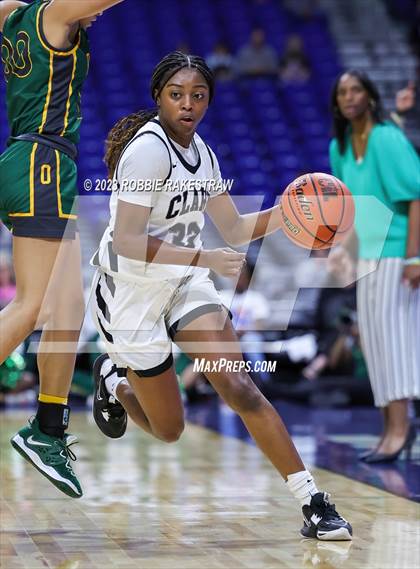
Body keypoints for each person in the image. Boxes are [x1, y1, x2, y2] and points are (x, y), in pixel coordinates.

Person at [90, 51, 352, 541]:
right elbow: (127, 241)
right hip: (131, 291)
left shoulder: (204, 154)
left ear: (208, 100)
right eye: (176, 95)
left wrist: (290, 210)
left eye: (198, 95)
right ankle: (114, 380)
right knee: (169, 429)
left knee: (240, 387)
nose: (188, 104)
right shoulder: (147, 151)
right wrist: (205, 259)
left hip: (186, 283)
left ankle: (313, 502)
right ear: (159, 98)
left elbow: (231, 226)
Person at [0, 0, 125, 499]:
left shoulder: (17, 16)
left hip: (43, 163)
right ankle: (46, 427)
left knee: (68, 308)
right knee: (31, 306)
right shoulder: (50, 14)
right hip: (41, 162)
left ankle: (47, 428)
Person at [328, 70, 420, 463]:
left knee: (396, 342)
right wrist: (342, 252)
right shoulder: (340, 146)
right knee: (375, 346)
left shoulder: (387, 138)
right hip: (367, 256)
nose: (349, 97)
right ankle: (389, 430)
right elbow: (351, 212)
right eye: (343, 92)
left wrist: (416, 257)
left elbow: (417, 197)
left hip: (398, 254)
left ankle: (401, 427)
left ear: (370, 96)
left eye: (356, 90)